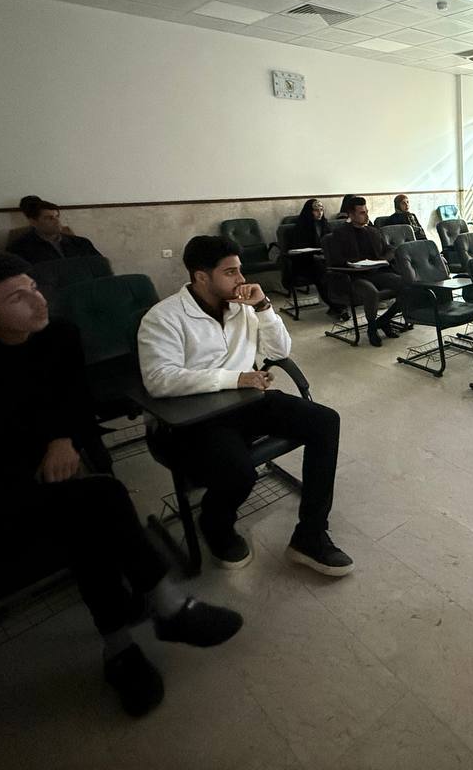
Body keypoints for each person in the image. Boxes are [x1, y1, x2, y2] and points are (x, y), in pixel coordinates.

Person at [0, 251, 242, 718]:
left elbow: (74, 401)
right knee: (97, 503)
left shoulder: (59, 336)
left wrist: (62, 438)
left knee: (90, 515)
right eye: (17, 298)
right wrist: (38, 458)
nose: (39, 301)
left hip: (59, 463)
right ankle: (167, 608)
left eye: (34, 287)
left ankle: (120, 648)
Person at [136, 236, 352, 576]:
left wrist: (264, 307)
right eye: (230, 272)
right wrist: (237, 378)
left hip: (246, 402)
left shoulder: (243, 306)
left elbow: (279, 352)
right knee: (239, 470)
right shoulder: (164, 317)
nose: (241, 279)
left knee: (325, 421)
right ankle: (215, 524)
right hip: (194, 417)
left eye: (240, 270)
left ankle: (310, 535)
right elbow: (160, 380)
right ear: (201, 276)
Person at [328, 196, 405, 347]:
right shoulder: (340, 234)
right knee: (371, 292)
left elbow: (389, 249)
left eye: (367, 211)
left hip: (376, 272)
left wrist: (383, 259)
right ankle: (372, 328)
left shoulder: (373, 231)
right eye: (362, 213)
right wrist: (352, 264)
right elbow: (335, 259)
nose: (366, 215)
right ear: (351, 215)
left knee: (406, 284)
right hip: (354, 277)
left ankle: (383, 320)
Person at [290, 198, 344, 319]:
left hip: (325, 260)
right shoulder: (301, 227)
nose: (319, 213)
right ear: (309, 212)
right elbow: (297, 249)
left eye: (321, 210)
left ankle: (341, 302)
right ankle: (336, 306)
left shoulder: (325, 224)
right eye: (315, 210)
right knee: (322, 273)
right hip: (307, 262)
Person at [8, 199, 102, 264]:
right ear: (33, 222)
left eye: (57, 216)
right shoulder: (19, 248)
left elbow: (101, 266)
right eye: (49, 218)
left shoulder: (81, 243)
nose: (57, 221)